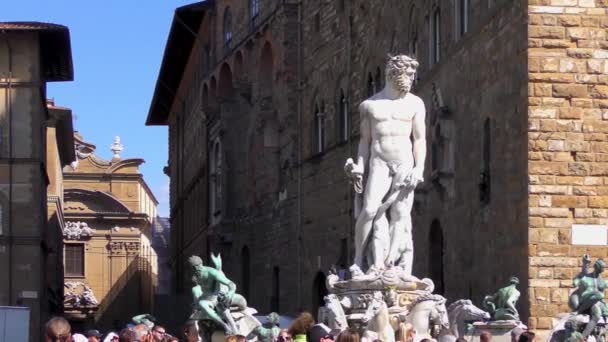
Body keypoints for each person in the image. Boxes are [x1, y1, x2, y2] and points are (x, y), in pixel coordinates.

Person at [345, 54, 426, 277]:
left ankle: (390, 262)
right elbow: (365, 141)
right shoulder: (369, 106)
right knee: (370, 209)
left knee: (401, 213)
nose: (412, 79)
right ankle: (358, 259)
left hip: (404, 162)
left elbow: (419, 140)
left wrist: (419, 168)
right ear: (394, 74)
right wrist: (360, 166)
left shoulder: (415, 103)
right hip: (379, 162)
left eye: (412, 75)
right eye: (409, 74)